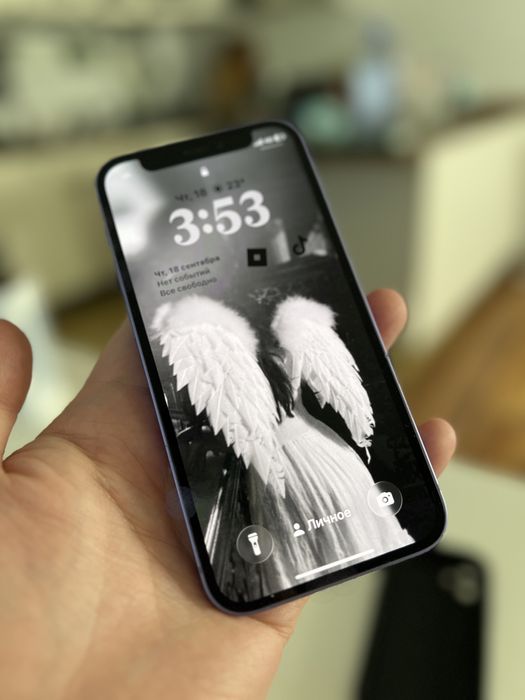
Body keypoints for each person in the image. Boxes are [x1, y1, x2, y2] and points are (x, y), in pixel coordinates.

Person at [0, 289, 455, 699]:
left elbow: (219, 421)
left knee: (277, 550)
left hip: (273, 463)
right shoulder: (296, 334)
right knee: (346, 526)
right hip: (325, 451)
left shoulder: (213, 343)